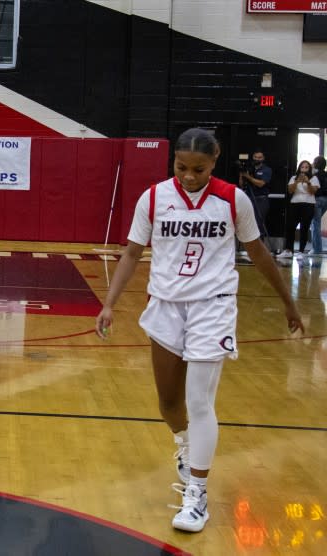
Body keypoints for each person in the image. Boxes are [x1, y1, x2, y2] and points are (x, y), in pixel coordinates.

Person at [94, 128, 304, 533]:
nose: (189, 176)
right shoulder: (154, 198)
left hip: (214, 304)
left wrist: (289, 302)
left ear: (215, 161)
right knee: (169, 404)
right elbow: (133, 252)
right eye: (181, 167)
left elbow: (258, 252)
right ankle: (186, 449)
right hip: (166, 305)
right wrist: (109, 303)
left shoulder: (232, 199)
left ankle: (197, 494)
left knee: (199, 401)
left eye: (199, 169)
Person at [277, 160, 320, 258]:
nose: (304, 169)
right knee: (290, 227)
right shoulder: (293, 178)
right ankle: (288, 250)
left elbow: (313, 192)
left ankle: (301, 251)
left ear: (309, 169)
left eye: (306, 167)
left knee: (304, 228)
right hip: (295, 203)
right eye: (302, 167)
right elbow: (290, 190)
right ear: (299, 168)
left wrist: (308, 182)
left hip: (308, 204)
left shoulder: (314, 178)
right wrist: (297, 182)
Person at [239, 150, 272, 241]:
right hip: (249, 199)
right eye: (255, 157)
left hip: (261, 199)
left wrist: (248, 177)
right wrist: (242, 175)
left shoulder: (267, 169)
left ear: (263, 158)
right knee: (248, 223)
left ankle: (260, 247)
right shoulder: (249, 168)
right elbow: (241, 185)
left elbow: (261, 184)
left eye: (259, 157)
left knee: (258, 223)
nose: (257, 159)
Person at [310, 156, 327, 255]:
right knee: (317, 223)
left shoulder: (315, 175)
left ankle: (317, 249)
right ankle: (317, 248)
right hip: (326, 200)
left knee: (315, 223)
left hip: (317, 199)